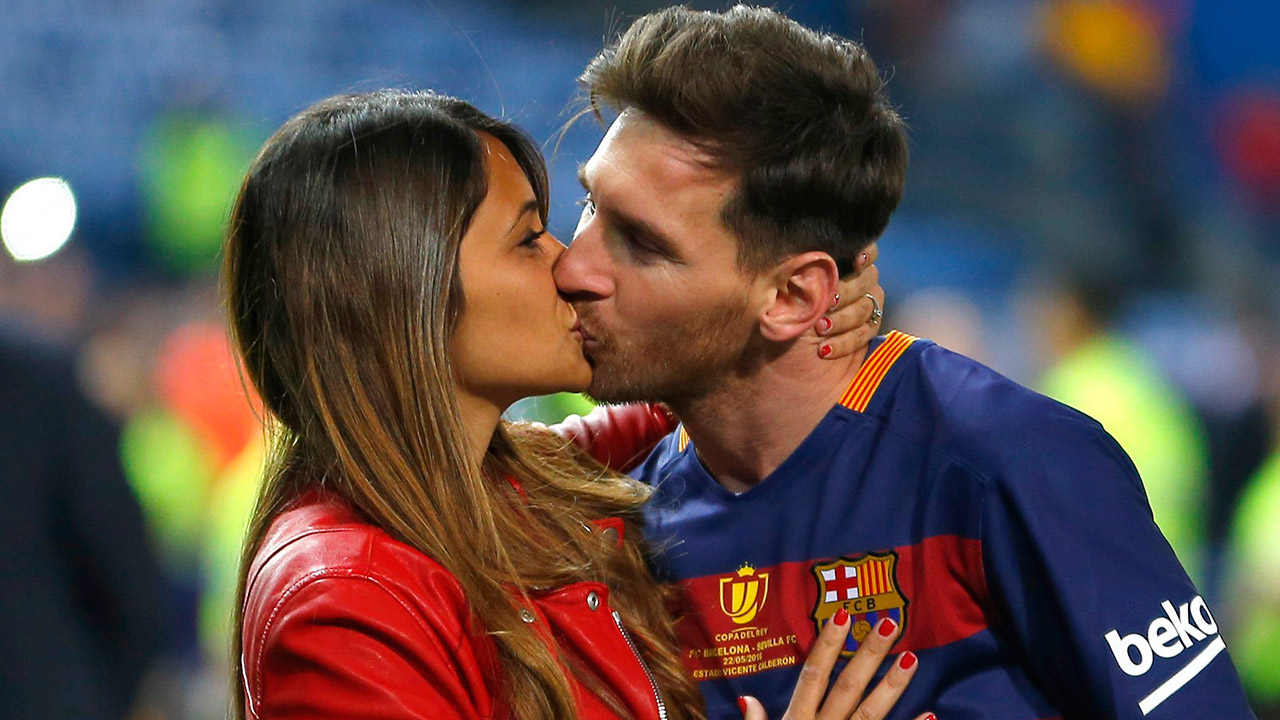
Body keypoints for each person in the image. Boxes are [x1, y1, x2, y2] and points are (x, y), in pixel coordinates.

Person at [553, 6, 1257, 719]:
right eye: (587, 205)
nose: (571, 264)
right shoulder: (611, 516)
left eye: (640, 242)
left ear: (795, 296)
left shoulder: (1009, 463)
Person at [224, 90, 932, 720]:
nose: (567, 264)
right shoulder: (345, 598)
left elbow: (698, 395)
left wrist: (784, 301)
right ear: (405, 295)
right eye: (528, 240)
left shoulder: (519, 483)